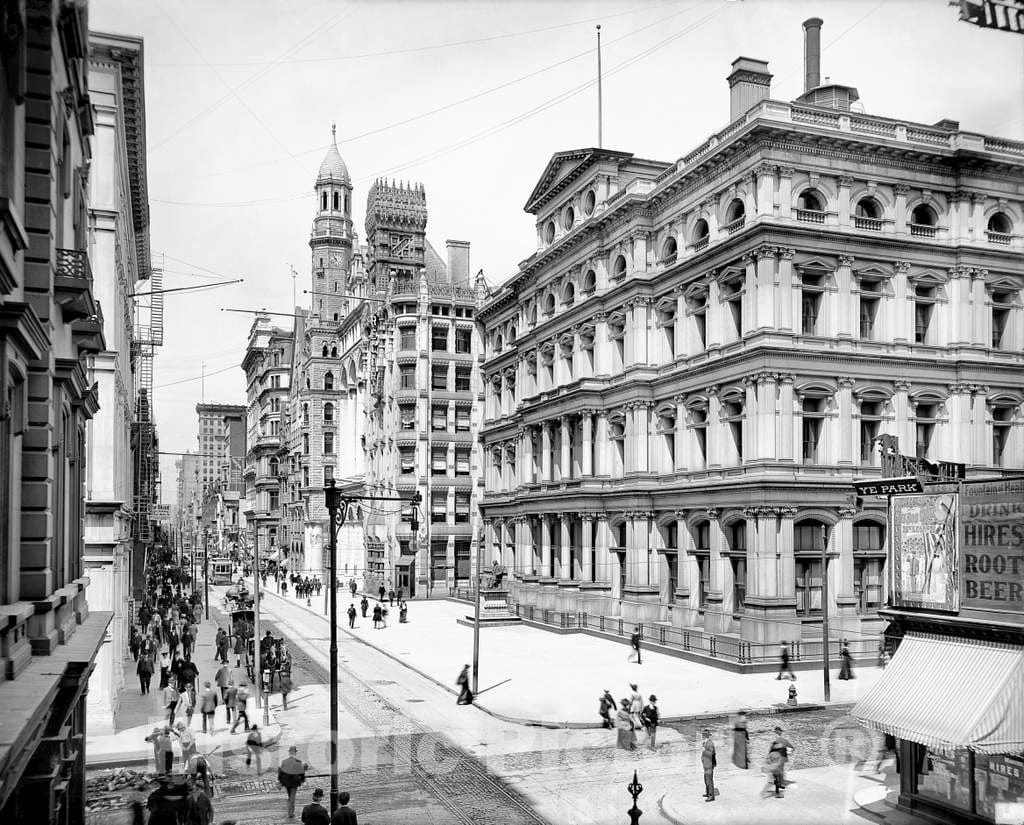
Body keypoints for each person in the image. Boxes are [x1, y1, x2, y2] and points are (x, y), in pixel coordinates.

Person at [278, 745, 308, 818]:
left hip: (286, 782)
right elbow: (301, 772)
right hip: (294, 782)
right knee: (292, 797)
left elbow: (281, 772)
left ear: (289, 753)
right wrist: (303, 780)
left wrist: (280, 782)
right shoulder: (298, 762)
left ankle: (290, 810)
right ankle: (290, 813)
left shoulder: (284, 761)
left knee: (290, 796)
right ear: (295, 753)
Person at [766, 725, 795, 798]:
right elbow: (792, 747)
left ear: (775, 733)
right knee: (781, 770)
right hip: (784, 758)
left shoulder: (775, 741)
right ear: (781, 733)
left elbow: (771, 751)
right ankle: (781, 783)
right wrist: (789, 753)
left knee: (776, 771)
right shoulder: (785, 740)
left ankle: (778, 784)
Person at [701, 728, 717, 802]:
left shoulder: (710, 743)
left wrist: (704, 750)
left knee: (709, 780)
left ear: (705, 735)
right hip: (706, 764)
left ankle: (711, 796)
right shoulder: (705, 742)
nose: (701, 736)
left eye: (703, 735)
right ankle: (708, 793)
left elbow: (711, 754)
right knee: (706, 779)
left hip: (709, 764)